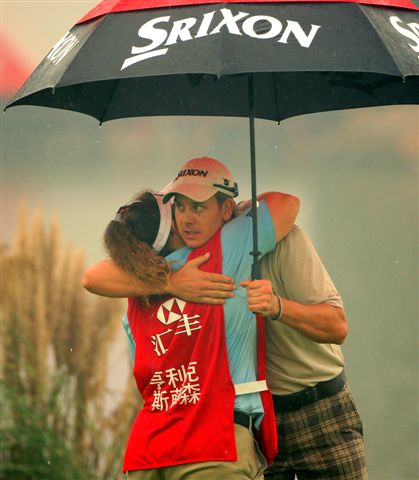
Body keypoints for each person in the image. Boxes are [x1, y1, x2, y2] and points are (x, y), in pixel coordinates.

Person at [83, 156, 300, 479]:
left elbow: (92, 277)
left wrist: (167, 281)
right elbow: (286, 203)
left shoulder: (134, 291)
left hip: (149, 450)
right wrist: (239, 212)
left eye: (197, 207)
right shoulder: (228, 246)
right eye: (180, 208)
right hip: (214, 449)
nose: (187, 218)